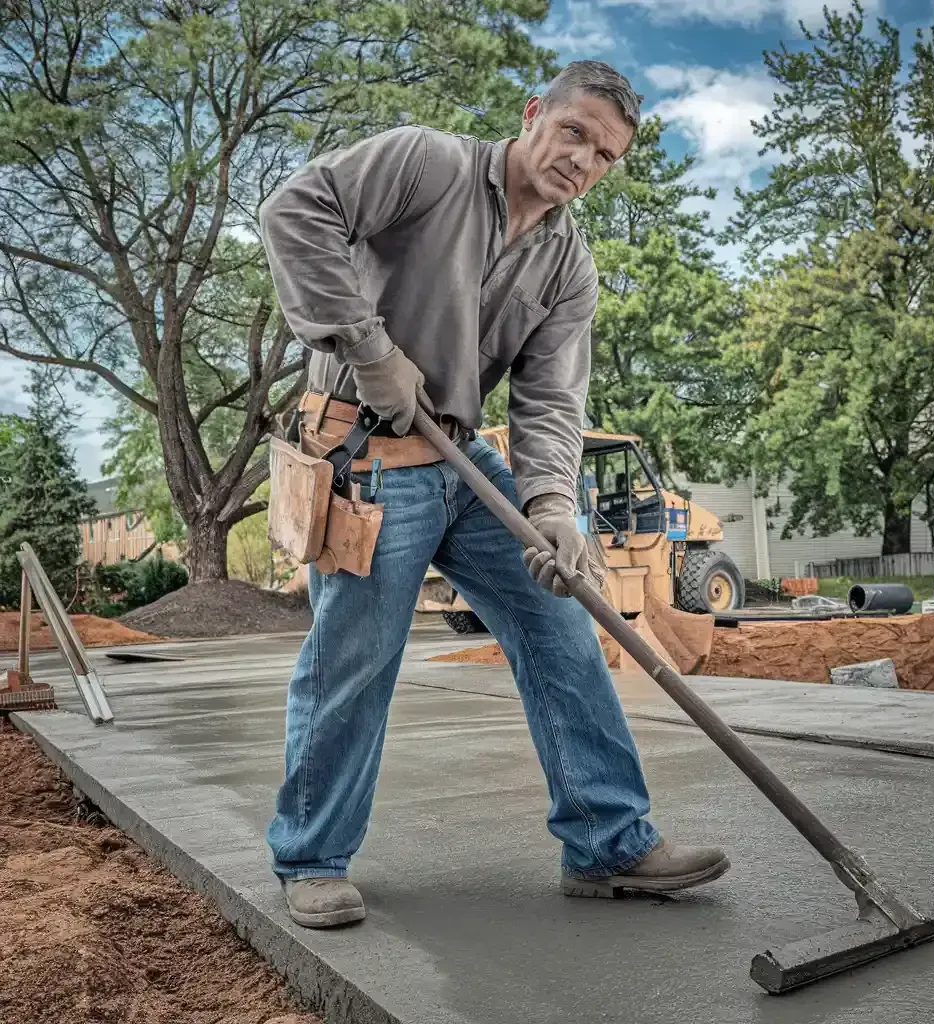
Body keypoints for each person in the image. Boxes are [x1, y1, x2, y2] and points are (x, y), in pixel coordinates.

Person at [259, 59, 731, 929]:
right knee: (355, 663)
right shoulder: (426, 163)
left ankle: (608, 842)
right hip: (362, 457)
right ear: (533, 116)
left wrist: (552, 507)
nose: (582, 161)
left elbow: (551, 401)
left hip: (466, 463)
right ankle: (311, 857)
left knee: (563, 625)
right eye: (575, 132)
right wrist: (367, 347)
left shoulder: (566, 265)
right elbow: (293, 212)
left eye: (605, 155)